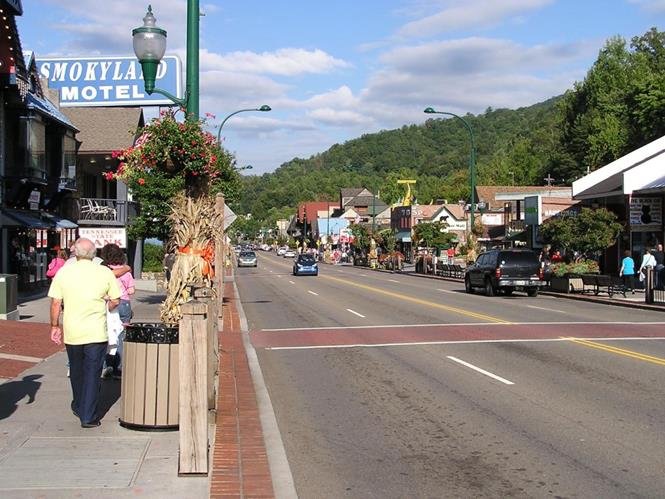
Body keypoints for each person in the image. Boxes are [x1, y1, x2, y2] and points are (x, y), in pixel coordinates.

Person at [48, 238, 121, 428]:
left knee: (76, 370)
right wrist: (107, 304)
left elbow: (56, 302)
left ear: (76, 252)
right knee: (93, 373)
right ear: (94, 254)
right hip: (96, 331)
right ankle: (88, 415)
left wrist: (54, 326)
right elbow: (116, 300)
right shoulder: (104, 272)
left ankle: (79, 404)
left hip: (73, 331)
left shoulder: (64, 272)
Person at [100, 243, 135, 378]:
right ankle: (118, 368)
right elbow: (131, 290)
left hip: (109, 303)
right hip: (124, 303)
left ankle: (106, 365)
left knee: (107, 333)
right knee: (122, 334)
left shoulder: (104, 270)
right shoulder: (126, 272)